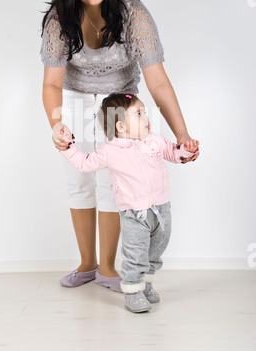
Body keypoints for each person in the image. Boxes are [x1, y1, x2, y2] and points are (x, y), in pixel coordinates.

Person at [40, 0, 200, 292]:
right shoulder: (60, 18)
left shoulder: (133, 13)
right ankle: (87, 263)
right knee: (78, 183)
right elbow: (51, 83)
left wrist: (182, 136)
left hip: (120, 104)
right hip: (75, 99)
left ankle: (109, 269)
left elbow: (157, 81)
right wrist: (57, 124)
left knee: (117, 184)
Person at [59, 93, 199, 312]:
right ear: (121, 127)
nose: (146, 118)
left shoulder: (155, 141)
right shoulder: (110, 151)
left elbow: (174, 153)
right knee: (135, 253)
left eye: (145, 112)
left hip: (161, 211)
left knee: (155, 251)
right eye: (139, 114)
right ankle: (133, 290)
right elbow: (85, 164)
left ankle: (147, 283)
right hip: (135, 214)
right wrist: (68, 148)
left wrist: (186, 150)